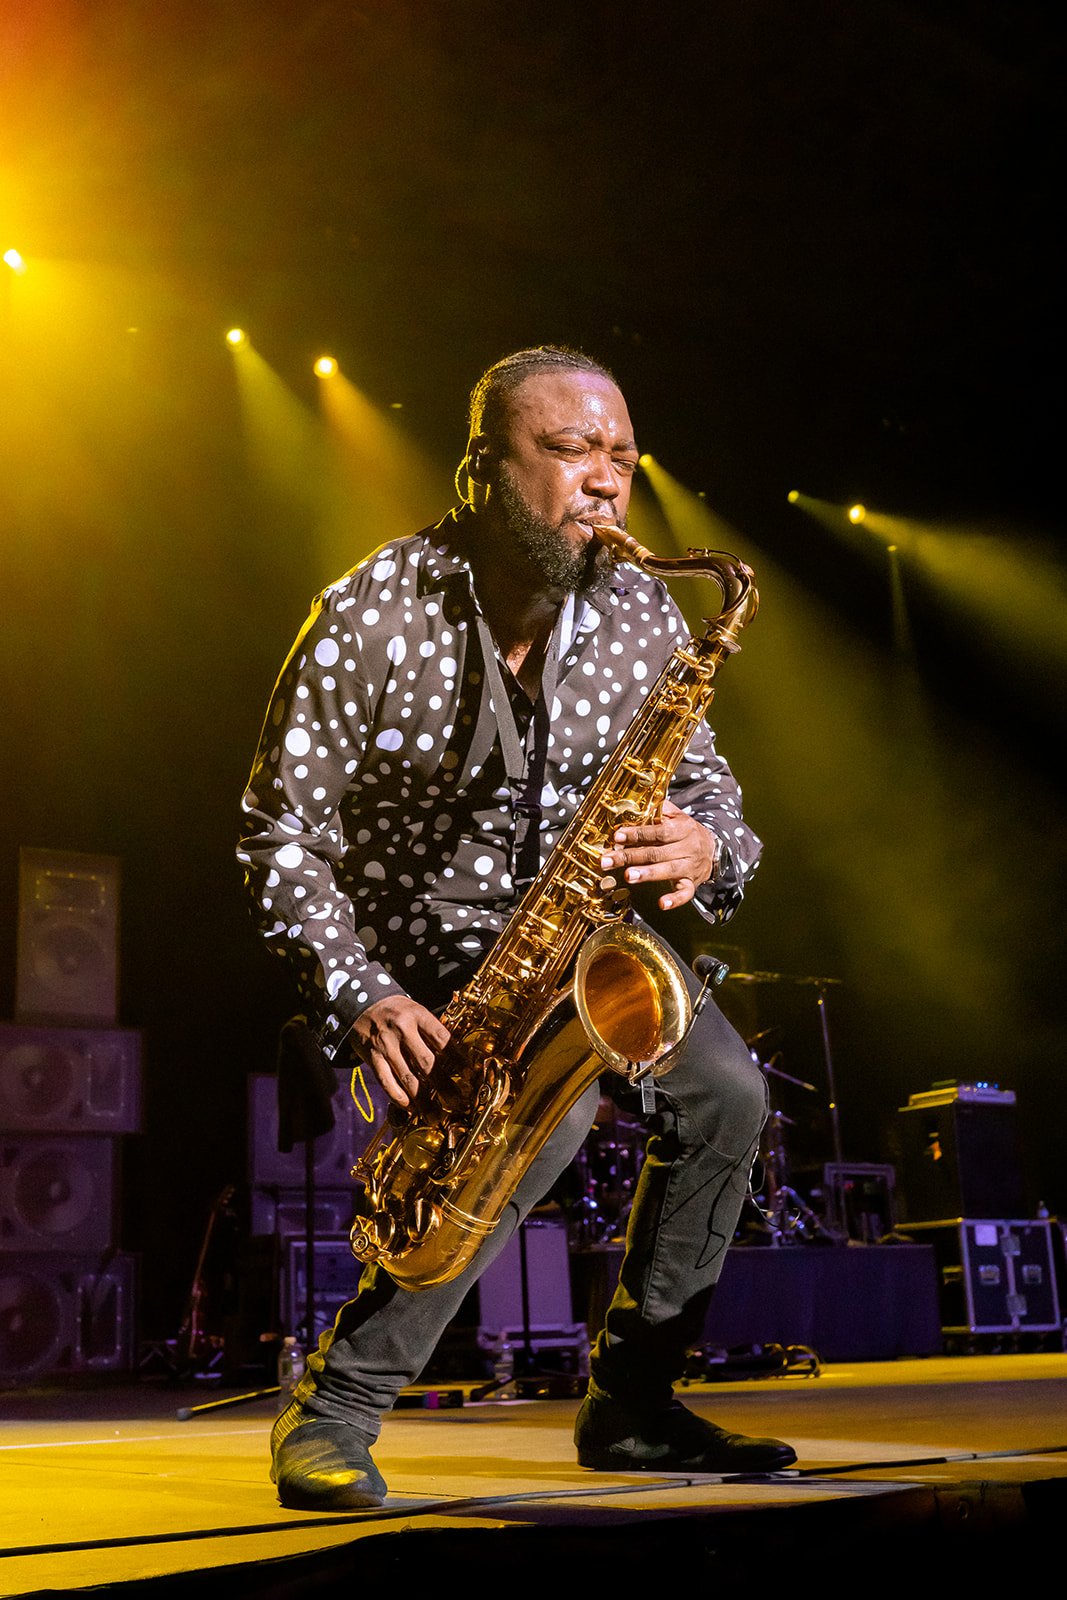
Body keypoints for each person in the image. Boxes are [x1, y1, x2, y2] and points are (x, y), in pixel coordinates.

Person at [237, 344, 797, 1510]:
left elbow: (712, 802)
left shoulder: (644, 609)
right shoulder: (373, 609)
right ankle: (336, 1406)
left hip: (579, 943)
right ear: (483, 471)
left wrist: (706, 851)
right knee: (538, 1118)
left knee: (730, 1096)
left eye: (622, 457)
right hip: (425, 950)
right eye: (570, 450)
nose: (605, 480)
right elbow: (277, 830)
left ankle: (634, 1405)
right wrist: (360, 993)